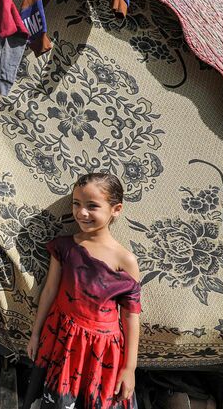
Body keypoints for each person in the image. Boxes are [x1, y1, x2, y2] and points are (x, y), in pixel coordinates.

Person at [23, 173, 141, 409]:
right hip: (61, 339)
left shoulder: (125, 260)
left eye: (92, 206)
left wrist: (129, 368)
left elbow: (130, 316)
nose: (82, 213)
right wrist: (35, 334)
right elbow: (49, 292)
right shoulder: (65, 247)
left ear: (116, 209)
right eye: (76, 204)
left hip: (101, 350)